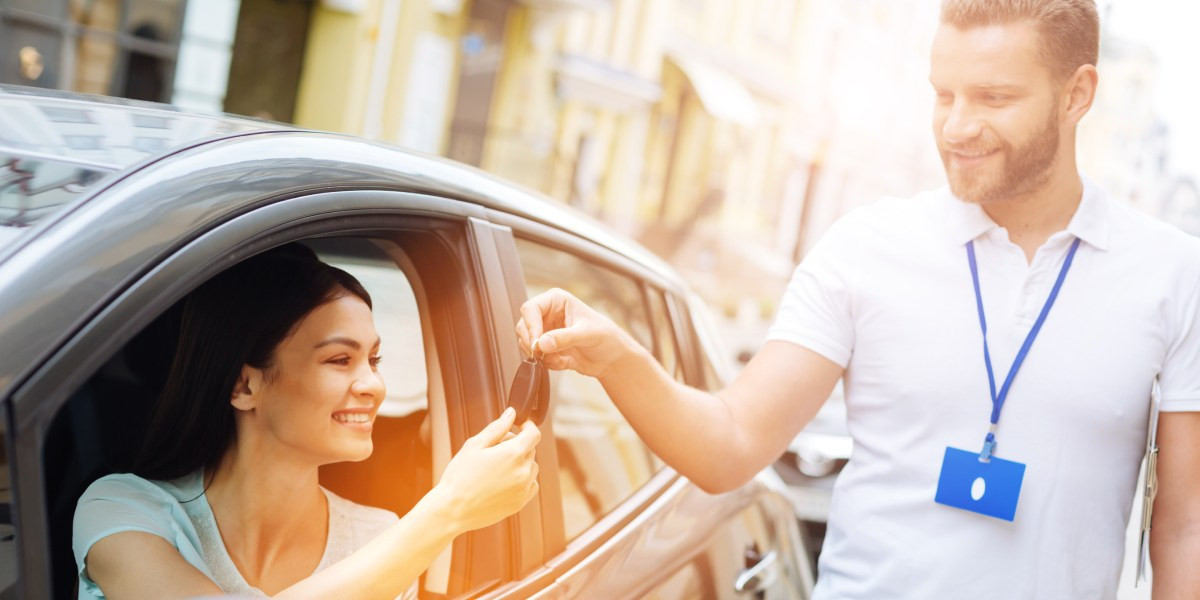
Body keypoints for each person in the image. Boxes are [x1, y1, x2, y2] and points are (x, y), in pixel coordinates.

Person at [516, 1, 1200, 598]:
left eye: (993, 98)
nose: (957, 126)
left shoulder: (1173, 275)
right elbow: (728, 445)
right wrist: (617, 358)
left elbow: (1183, 524)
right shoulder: (864, 249)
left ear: (1077, 94)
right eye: (943, 95)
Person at [73, 244, 541, 599]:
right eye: (340, 359)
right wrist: (448, 510)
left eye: (373, 360)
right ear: (244, 386)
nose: (373, 386)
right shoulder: (124, 510)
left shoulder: (378, 537)